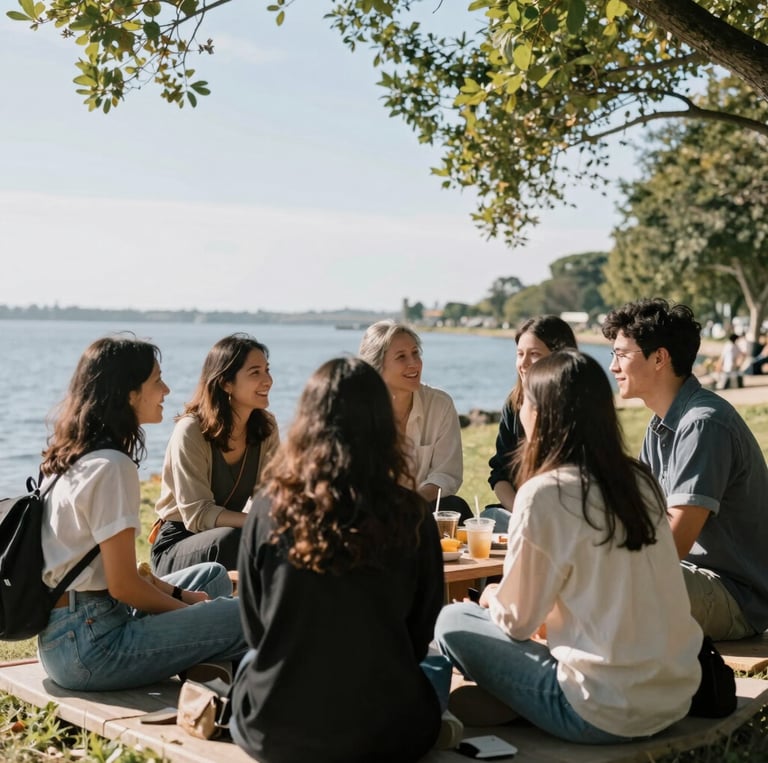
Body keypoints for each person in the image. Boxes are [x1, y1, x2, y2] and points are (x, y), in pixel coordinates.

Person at [436, 350, 702, 743]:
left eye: (525, 400)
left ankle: (509, 703)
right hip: (674, 697)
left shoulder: (545, 494)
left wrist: (491, 596)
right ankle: (518, 701)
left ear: (541, 414)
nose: (520, 407)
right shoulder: (638, 480)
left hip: (603, 710)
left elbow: (518, 622)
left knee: (451, 622)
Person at [230, 357, 449, 762]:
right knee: (436, 670)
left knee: (248, 663)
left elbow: (256, 630)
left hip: (277, 732)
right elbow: (422, 633)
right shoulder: (412, 514)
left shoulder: (266, 510)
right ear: (383, 425)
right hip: (386, 735)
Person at [38, 336, 246, 691]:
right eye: (156, 380)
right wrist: (196, 616)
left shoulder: (75, 457)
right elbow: (123, 586)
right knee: (246, 616)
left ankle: (209, 669)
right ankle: (222, 673)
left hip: (67, 636)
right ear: (129, 393)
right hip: (92, 648)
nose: (166, 389)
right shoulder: (112, 466)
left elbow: (109, 572)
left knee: (211, 576)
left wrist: (185, 598)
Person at [602, 298, 768, 640]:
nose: (613, 366)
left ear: (660, 358)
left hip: (735, 596)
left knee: (604, 583)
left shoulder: (704, 424)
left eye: (621, 354)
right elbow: (643, 517)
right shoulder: (661, 425)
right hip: (686, 576)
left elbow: (673, 543)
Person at [151, 334, 280, 575]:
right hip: (178, 544)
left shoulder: (266, 428)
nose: (268, 380)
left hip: (233, 534)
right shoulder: (191, 430)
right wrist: (258, 523)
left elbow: (270, 498)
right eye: (255, 372)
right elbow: (197, 515)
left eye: (267, 370)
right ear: (225, 383)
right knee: (233, 539)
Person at [358, 319, 470, 519]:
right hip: (371, 513)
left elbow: (446, 475)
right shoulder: (357, 410)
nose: (414, 363)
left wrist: (409, 503)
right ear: (377, 367)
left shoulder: (440, 405)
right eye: (401, 356)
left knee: (454, 505)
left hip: (420, 508)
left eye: (415, 353)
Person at [487, 315, 577, 522]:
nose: (524, 363)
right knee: (488, 519)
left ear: (560, 357)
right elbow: (500, 472)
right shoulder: (514, 404)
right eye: (520, 354)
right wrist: (521, 513)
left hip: (564, 516)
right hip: (518, 511)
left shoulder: (577, 410)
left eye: (534, 354)